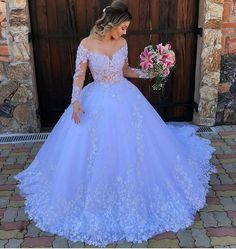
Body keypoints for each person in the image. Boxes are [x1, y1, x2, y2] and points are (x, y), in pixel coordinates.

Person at [14, 0, 217, 247]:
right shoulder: (86, 44)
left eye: (126, 28)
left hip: (125, 96)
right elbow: (79, 75)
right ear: (111, 23)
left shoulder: (122, 43)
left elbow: (126, 70)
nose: (125, 32)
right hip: (96, 98)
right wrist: (75, 102)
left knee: (137, 146)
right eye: (123, 27)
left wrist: (150, 73)